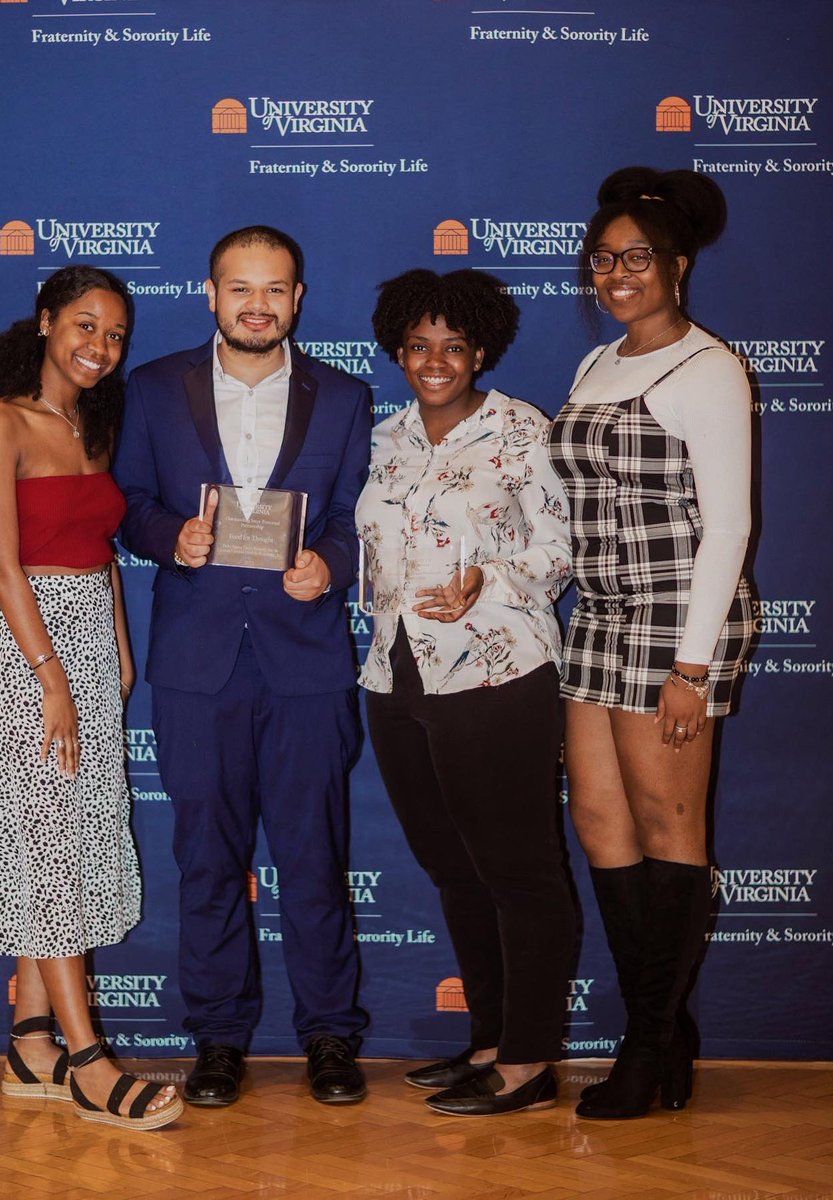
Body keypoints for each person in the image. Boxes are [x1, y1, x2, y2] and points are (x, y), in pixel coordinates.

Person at [114, 226, 372, 1107]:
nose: (257, 304)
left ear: (298, 298)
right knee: (208, 862)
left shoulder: (343, 397)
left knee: (313, 860)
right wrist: (168, 539)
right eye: (240, 288)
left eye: (275, 289)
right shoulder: (151, 390)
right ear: (211, 294)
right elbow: (130, 506)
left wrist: (329, 565)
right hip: (198, 665)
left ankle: (330, 1037)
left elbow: (350, 518)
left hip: (306, 664)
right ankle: (219, 1039)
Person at [0, 266, 182, 1132]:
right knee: (49, 844)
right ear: (46, 322)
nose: (100, 347)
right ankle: (87, 1062)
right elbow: (3, 563)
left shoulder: (94, 424)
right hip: (27, 651)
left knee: (64, 836)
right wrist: (53, 678)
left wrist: (116, 649)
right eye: (85, 326)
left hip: (87, 641)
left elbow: (103, 548)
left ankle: (30, 1039)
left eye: (115, 336)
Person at [548, 166, 754, 1120]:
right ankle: (660, 1030)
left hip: (676, 621)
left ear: (675, 265)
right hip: (598, 614)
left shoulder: (708, 368)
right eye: (604, 259)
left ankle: (646, 1046)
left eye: (637, 258)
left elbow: (729, 528)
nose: (617, 274)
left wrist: (692, 666)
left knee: (671, 831)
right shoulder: (599, 365)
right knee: (600, 822)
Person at [357, 268, 576, 1116]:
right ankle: (486, 1040)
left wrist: (491, 575)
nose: (435, 361)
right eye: (418, 346)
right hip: (394, 674)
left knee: (518, 870)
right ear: (398, 352)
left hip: (496, 672)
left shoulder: (521, 430)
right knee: (454, 870)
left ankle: (528, 1060)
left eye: (453, 346)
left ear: (480, 349)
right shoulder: (384, 437)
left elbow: (561, 545)